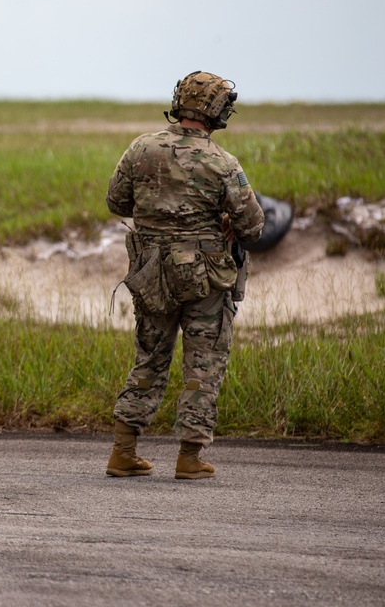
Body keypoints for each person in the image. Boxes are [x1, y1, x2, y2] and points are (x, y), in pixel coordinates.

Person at [105, 71, 264, 480]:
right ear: (216, 112)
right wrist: (222, 221)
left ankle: (123, 452)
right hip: (205, 279)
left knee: (149, 359)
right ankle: (189, 458)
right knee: (203, 365)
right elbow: (253, 227)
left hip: (151, 273)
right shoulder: (222, 162)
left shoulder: (140, 148)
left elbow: (116, 201)